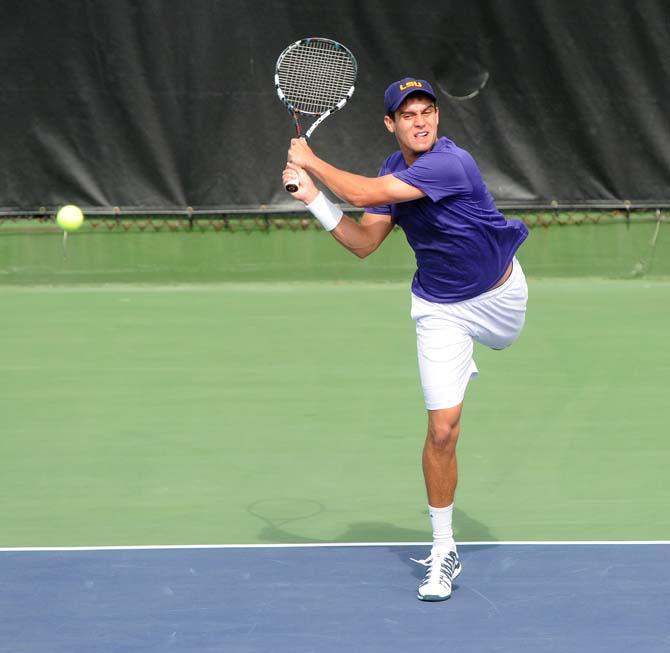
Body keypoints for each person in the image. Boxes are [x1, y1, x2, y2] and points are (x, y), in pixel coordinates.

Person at [282, 77, 529, 602]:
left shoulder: (450, 163)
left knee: (498, 349)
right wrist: (311, 199)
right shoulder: (392, 169)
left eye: (428, 112)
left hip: (500, 300)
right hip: (440, 308)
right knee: (442, 430)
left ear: (437, 119)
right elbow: (362, 242)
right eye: (408, 114)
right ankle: (443, 549)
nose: (421, 121)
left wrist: (310, 161)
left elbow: (362, 194)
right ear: (391, 124)